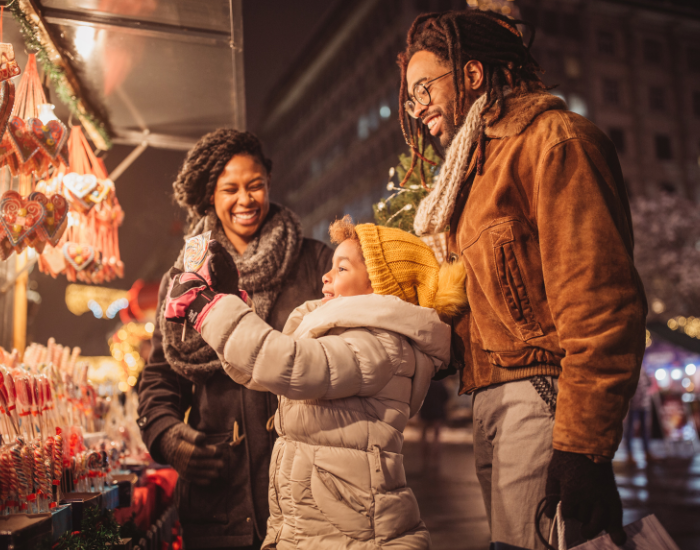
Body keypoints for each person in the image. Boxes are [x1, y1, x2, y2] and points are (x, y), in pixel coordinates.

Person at [398, 9, 647, 550]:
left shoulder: (554, 142)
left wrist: (582, 446)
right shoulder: (473, 170)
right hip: (490, 403)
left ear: (471, 74)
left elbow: (600, 304)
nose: (417, 109)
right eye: (409, 97)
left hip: (542, 398)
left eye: (424, 88)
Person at [162, 216, 469, 549]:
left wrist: (210, 309)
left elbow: (290, 364)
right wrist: (225, 301)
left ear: (379, 286)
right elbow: (259, 370)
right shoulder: (340, 333)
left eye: (342, 269)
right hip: (319, 524)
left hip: (355, 531)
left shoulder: (378, 344)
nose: (326, 275)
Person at [137, 129, 333, 550]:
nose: (245, 200)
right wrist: (169, 437)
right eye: (231, 189)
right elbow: (158, 379)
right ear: (211, 196)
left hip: (310, 494)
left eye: (255, 185)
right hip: (220, 500)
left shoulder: (316, 263)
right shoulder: (183, 281)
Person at [624, 368, 655, 467]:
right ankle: (629, 454)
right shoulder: (630, 367)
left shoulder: (644, 369)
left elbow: (649, 383)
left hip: (644, 404)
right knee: (630, 430)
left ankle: (647, 452)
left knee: (645, 430)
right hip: (632, 405)